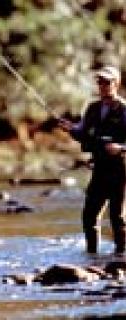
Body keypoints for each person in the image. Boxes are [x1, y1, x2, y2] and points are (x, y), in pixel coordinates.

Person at [59, 65, 126, 255]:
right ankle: (92, 256)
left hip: (121, 169)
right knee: (89, 215)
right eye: (100, 82)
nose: (103, 86)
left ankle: (121, 257)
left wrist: (120, 147)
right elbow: (82, 133)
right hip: (100, 169)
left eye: (107, 82)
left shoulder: (124, 109)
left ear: (116, 83)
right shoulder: (92, 108)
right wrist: (71, 129)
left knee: (118, 217)